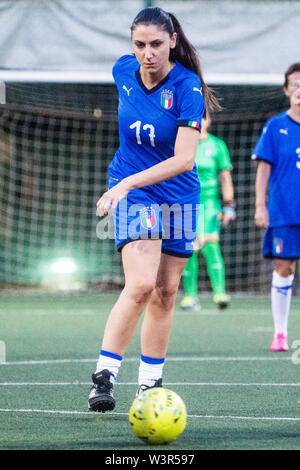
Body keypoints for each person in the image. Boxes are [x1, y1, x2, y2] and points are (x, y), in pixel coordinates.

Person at [88, 6, 220, 412]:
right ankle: (104, 375)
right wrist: (125, 184)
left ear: (173, 42)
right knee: (142, 284)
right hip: (135, 192)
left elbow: (183, 159)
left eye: (157, 45)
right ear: (132, 45)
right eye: (140, 45)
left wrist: (128, 182)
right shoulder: (122, 71)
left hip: (178, 194)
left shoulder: (188, 87)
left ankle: (149, 386)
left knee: (165, 293)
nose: (148, 53)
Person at [253, 62, 300, 351]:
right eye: (295, 84)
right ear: (286, 90)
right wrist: (260, 206)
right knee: (284, 267)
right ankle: (280, 333)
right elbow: (263, 171)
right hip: (284, 211)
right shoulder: (275, 126)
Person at [180, 116, 236, 310]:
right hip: (186, 201)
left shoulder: (217, 145)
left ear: (209, 120)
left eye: (204, 117)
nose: (200, 121)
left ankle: (220, 292)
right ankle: (190, 296)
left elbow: (225, 176)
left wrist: (229, 204)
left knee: (210, 244)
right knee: (189, 248)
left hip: (210, 202)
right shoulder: (182, 143)